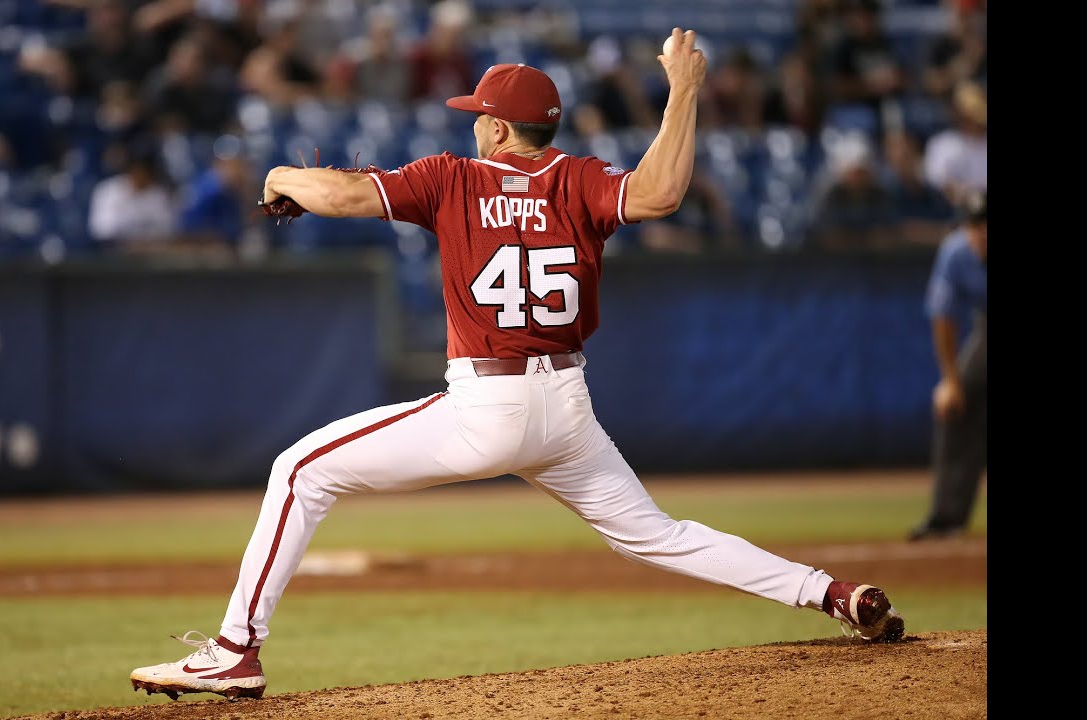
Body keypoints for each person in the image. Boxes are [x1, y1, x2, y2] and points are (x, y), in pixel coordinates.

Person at [128, 29, 906, 703]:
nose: (473, 130)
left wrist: (281, 179)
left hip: (485, 406)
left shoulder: (453, 179)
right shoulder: (580, 179)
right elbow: (664, 192)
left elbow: (341, 195)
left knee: (301, 469)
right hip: (566, 411)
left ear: (500, 129)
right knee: (659, 534)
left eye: (479, 119)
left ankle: (234, 653)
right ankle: (832, 594)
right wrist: (684, 89)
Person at [909, 189, 986, 541]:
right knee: (954, 406)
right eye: (975, 224)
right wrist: (950, 379)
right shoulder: (956, 252)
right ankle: (947, 517)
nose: (981, 232)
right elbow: (944, 317)